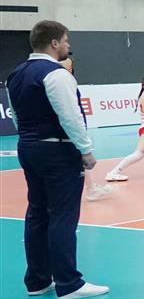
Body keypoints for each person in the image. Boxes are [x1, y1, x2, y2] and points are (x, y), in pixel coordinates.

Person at [7, 20, 108, 299]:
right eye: (65, 41)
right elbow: (70, 116)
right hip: (57, 152)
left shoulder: (15, 74)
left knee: (37, 213)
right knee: (63, 215)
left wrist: (30, 138)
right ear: (54, 43)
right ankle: (69, 283)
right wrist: (85, 150)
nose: (68, 46)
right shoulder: (56, 74)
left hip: (29, 147)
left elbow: (16, 116)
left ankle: (37, 281)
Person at [59, 57, 111, 201]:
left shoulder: (70, 82)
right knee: (78, 158)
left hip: (77, 127)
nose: (68, 69)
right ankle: (91, 189)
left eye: (69, 66)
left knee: (79, 158)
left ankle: (91, 187)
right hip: (68, 130)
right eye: (64, 66)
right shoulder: (61, 84)